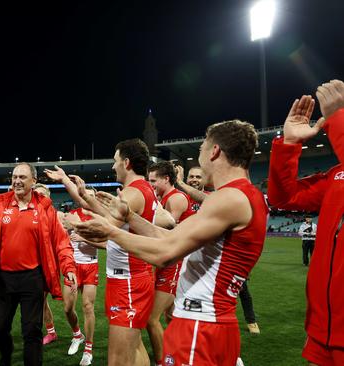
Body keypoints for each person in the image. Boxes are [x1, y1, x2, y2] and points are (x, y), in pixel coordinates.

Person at [73, 120, 268, 366]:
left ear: (215, 151)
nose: (199, 156)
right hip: (210, 320)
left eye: (201, 149)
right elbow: (170, 237)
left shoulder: (229, 197)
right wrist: (129, 217)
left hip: (201, 324)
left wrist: (111, 232)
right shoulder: (245, 195)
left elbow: (165, 253)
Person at [46, 138, 161, 366]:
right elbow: (99, 211)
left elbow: (104, 230)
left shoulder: (133, 194)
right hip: (132, 279)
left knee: (118, 359)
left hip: (128, 282)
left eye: (115, 161)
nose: (112, 166)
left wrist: (75, 225)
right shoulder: (141, 189)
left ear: (126, 162)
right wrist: (70, 184)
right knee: (135, 347)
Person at [0, 163, 77, 366]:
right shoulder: (0, 205)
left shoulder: (44, 208)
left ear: (33, 181)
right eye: (14, 176)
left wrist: (68, 267)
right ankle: (6, 355)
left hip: (32, 278)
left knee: (32, 332)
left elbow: (61, 241)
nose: (16, 181)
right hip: (3, 279)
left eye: (22, 177)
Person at [266, 80, 344, 366]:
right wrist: (289, 144)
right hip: (322, 331)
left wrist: (338, 118)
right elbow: (284, 198)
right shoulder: (337, 176)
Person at [176, 164, 261, 335]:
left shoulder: (212, 197)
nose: (194, 180)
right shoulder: (179, 198)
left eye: (198, 177)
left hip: (217, 255)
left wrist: (180, 183)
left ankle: (250, 319)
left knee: (240, 289)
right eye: (191, 177)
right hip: (187, 253)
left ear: (205, 180)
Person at [36, 183, 98, 366]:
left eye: (90, 196)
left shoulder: (100, 217)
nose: (87, 198)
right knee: (67, 308)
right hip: (72, 267)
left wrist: (85, 237)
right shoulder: (69, 216)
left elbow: (106, 242)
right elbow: (54, 228)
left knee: (88, 307)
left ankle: (88, 349)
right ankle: (77, 334)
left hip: (91, 266)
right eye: (84, 195)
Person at [146, 161, 194, 366]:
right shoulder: (166, 197)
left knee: (151, 319)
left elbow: (166, 232)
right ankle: (186, 352)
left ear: (166, 179)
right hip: (169, 261)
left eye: (153, 181)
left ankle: (162, 361)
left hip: (175, 263)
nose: (151, 184)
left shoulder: (175, 198)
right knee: (172, 315)